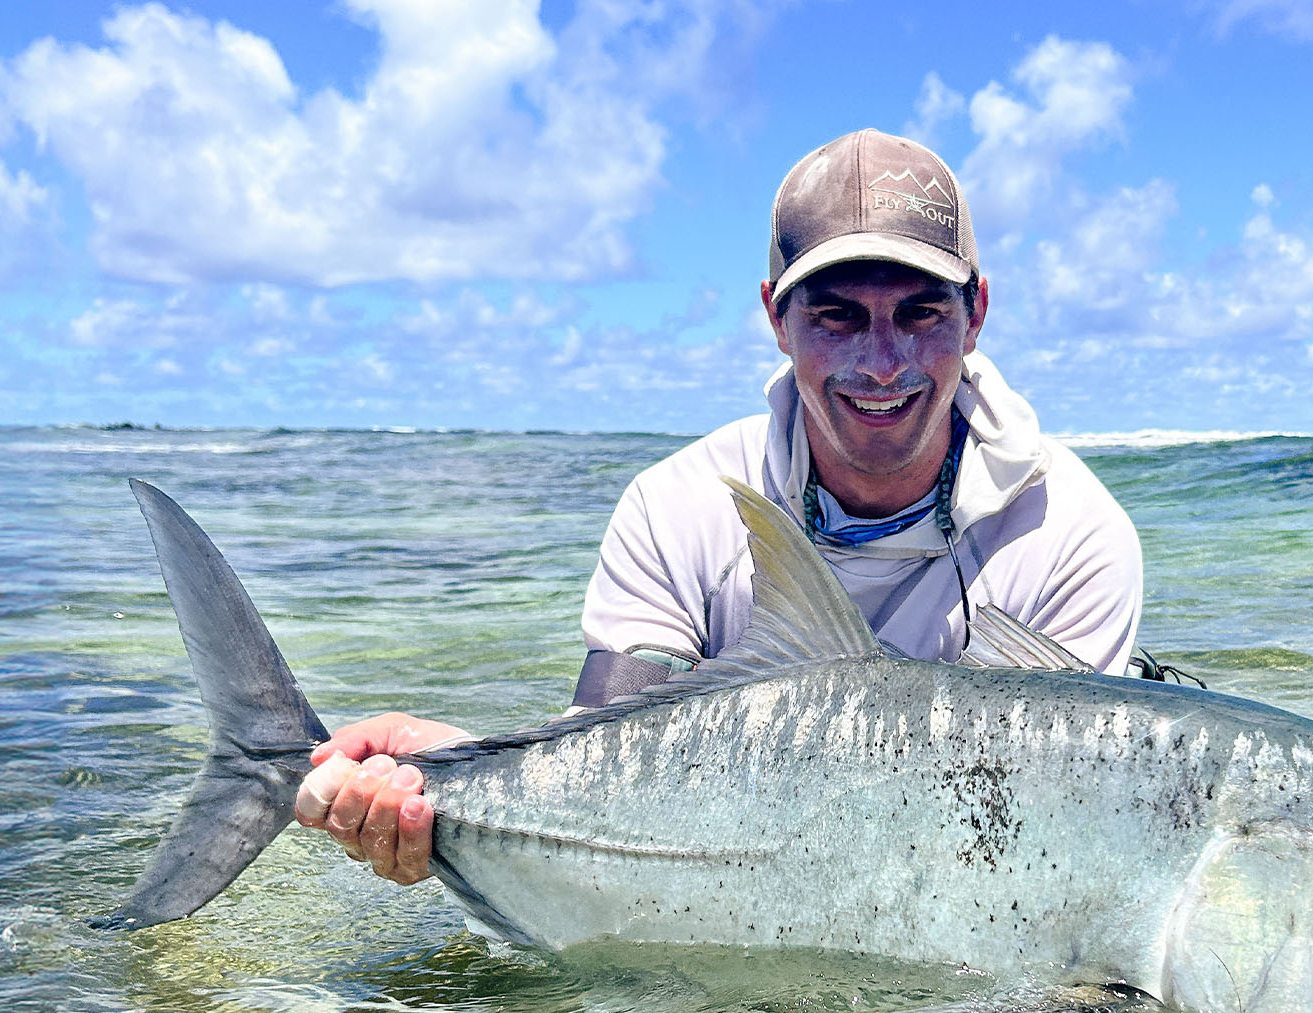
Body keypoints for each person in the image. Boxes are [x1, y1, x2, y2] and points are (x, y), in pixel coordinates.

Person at [293, 128, 1144, 888]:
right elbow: (603, 758)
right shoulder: (676, 507)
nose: (883, 364)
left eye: (920, 313)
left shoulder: (1071, 536)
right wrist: (450, 770)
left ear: (976, 315)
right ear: (777, 317)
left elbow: (1043, 839)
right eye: (837, 317)